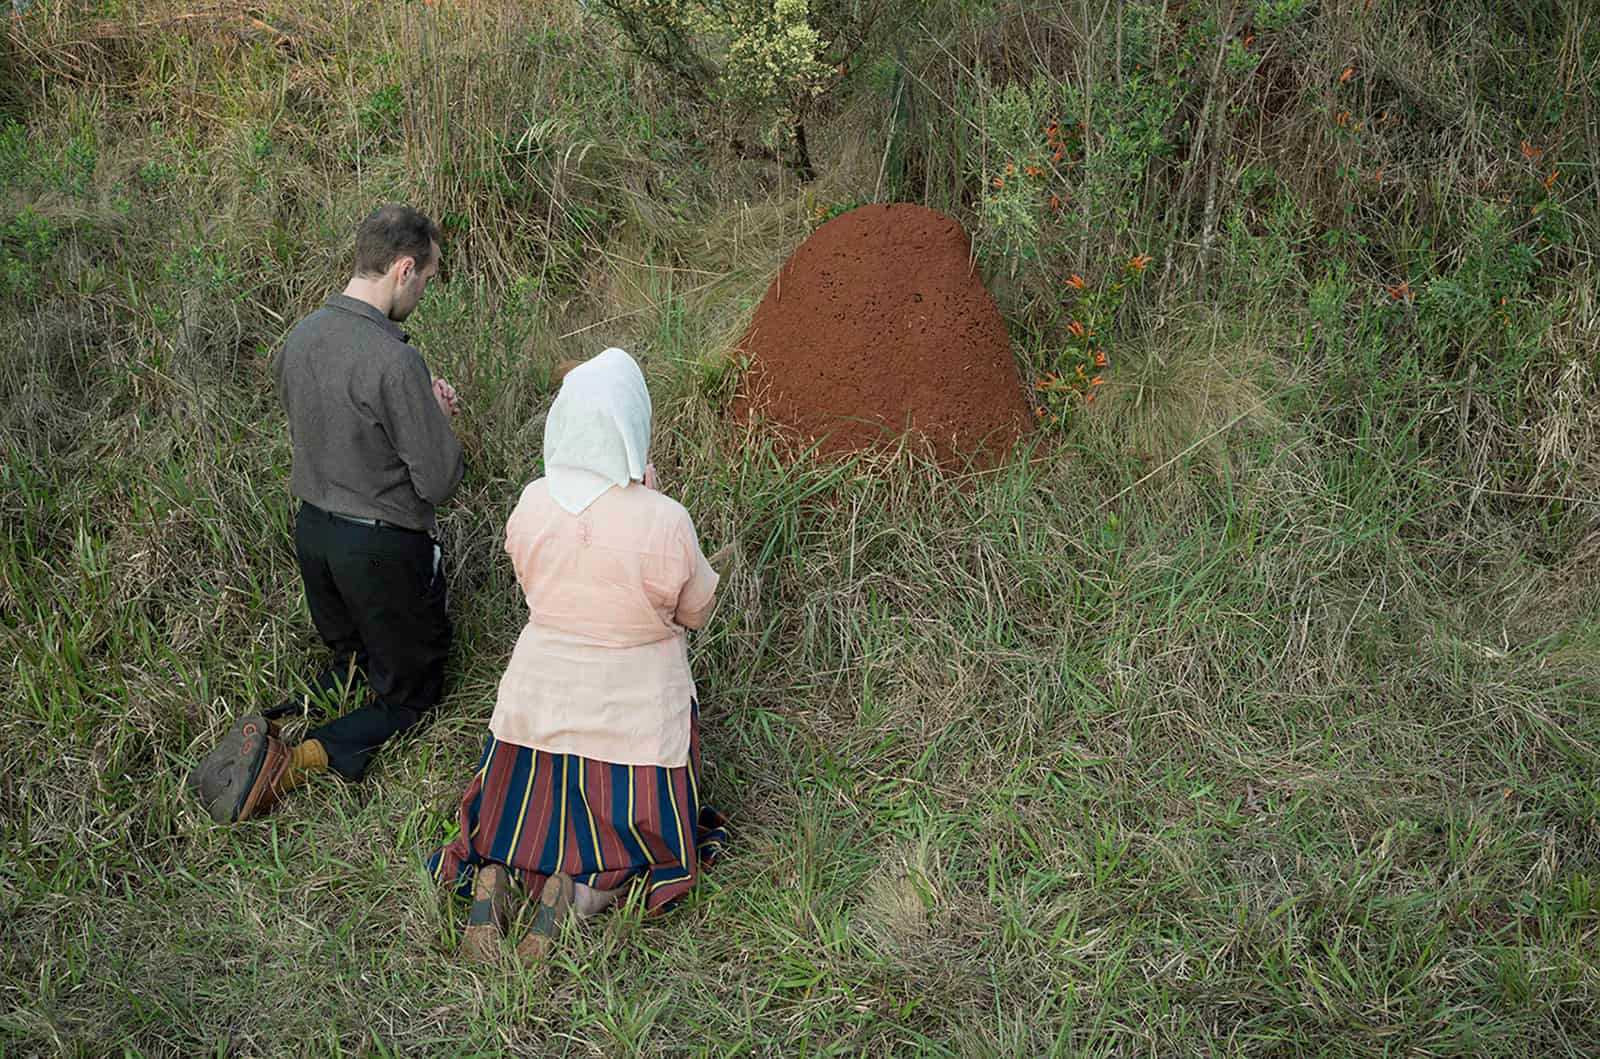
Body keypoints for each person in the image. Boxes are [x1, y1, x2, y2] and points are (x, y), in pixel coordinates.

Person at [426, 347, 732, 962]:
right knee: (647, 851)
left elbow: (529, 580)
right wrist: (653, 503)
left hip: (536, 709)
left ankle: (503, 873)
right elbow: (696, 611)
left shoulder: (533, 502)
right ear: (633, 422)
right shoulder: (666, 520)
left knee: (519, 818)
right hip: (634, 722)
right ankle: (583, 894)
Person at [187, 204, 464, 824]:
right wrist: (435, 418)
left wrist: (414, 402)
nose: (425, 290)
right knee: (413, 696)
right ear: (403, 268)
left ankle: (289, 710)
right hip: (381, 550)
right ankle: (296, 760)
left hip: (313, 535)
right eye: (427, 276)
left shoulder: (302, 336)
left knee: (351, 662)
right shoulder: (394, 361)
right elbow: (439, 480)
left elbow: (338, 424)